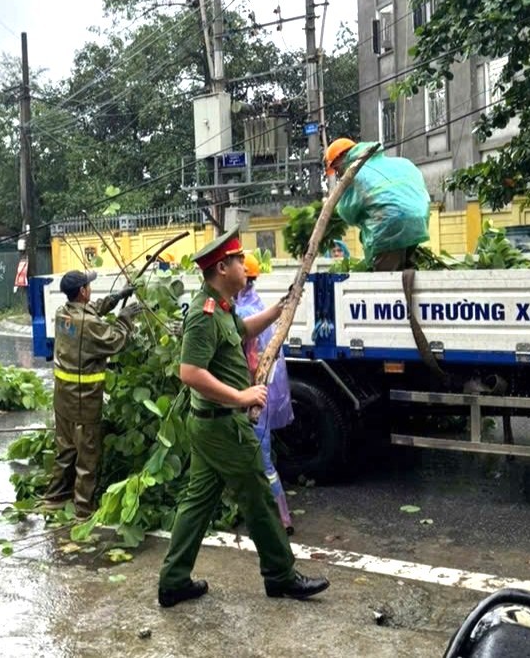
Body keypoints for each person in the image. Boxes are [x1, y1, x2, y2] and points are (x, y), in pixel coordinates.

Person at [157, 228, 329, 608]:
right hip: (223, 425)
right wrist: (241, 395)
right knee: (260, 499)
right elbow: (190, 372)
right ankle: (281, 576)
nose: (244, 267)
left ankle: (173, 581)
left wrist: (279, 310)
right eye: (238, 261)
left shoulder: (222, 307)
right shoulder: (203, 315)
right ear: (222, 267)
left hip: (211, 425)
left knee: (197, 502)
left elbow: (244, 330)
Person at [42, 269, 142, 518]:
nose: (91, 290)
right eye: (89, 286)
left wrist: (116, 297)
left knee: (65, 449)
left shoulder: (63, 313)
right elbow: (115, 340)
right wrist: (125, 318)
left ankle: (56, 496)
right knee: (88, 455)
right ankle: (84, 508)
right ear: (83, 291)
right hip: (83, 399)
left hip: (63, 396)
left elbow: (92, 310)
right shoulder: (88, 325)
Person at [235, 253, 295, 534]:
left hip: (252, 394)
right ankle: (277, 516)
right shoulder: (254, 305)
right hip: (262, 393)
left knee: (259, 457)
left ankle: (275, 519)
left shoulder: (244, 314)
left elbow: (250, 360)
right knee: (261, 455)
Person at [325, 138, 431, 271]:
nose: (338, 172)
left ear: (342, 156)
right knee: (404, 268)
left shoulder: (355, 172)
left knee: (385, 281)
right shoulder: (401, 163)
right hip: (418, 221)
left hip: (389, 225)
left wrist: (336, 208)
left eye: (336, 167)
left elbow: (348, 213)